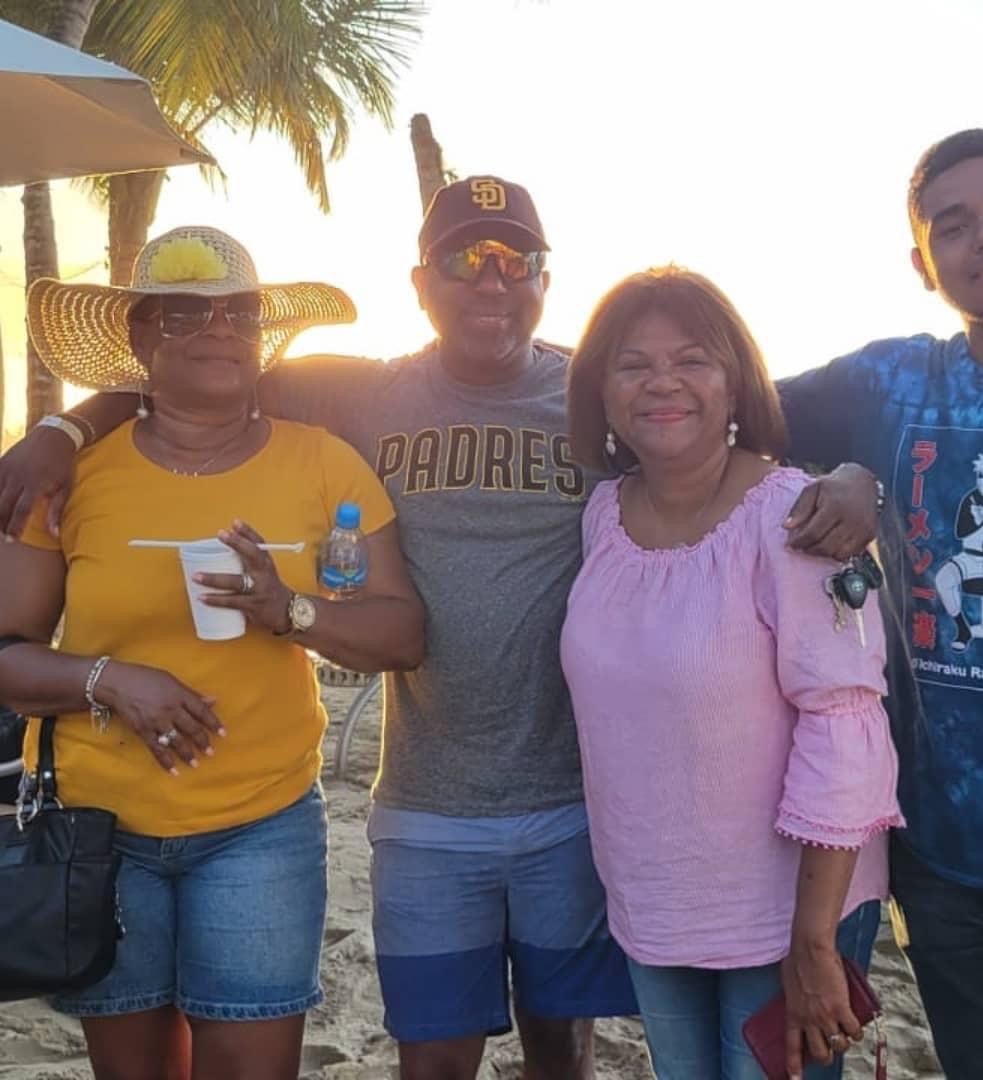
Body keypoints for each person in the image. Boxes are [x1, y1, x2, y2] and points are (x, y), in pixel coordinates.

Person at [0, 179, 878, 1080]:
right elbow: (188, 384)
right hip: (423, 804)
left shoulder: (603, 393)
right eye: (465, 259)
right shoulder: (358, 396)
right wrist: (65, 427)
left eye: (516, 260)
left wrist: (855, 478)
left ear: (545, 279)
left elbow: (752, 427)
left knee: (561, 1052)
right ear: (420, 283)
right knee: (432, 1059)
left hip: (575, 805)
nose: (491, 281)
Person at [0, 225, 424, 1080]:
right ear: (141, 338)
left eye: (239, 312)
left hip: (259, 827)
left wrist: (290, 608)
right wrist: (111, 682)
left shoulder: (325, 464)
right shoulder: (71, 478)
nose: (218, 330)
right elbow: (6, 652)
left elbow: (402, 633)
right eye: (186, 314)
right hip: (101, 831)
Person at [778, 129, 983, 1078]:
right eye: (954, 225)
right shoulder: (891, 382)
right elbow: (710, 401)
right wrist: (848, 465)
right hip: (943, 866)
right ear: (922, 264)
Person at [560, 266, 903, 1080]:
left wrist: (814, 941)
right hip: (655, 903)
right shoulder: (603, 515)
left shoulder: (795, 518)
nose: (662, 382)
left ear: (736, 381)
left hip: (787, 914)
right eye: (632, 364)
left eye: (692, 359)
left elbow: (845, 727)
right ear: (601, 393)